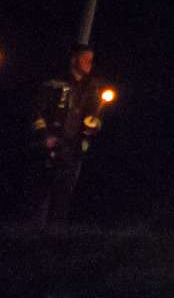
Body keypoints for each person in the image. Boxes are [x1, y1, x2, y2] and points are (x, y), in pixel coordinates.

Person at [26, 44, 108, 226]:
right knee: (40, 193)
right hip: (50, 144)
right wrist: (44, 135)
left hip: (73, 147)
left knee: (63, 195)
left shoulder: (91, 87)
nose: (89, 63)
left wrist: (92, 127)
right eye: (85, 58)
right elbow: (37, 111)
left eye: (91, 59)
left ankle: (54, 236)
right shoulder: (54, 83)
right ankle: (30, 233)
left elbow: (94, 116)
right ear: (74, 59)